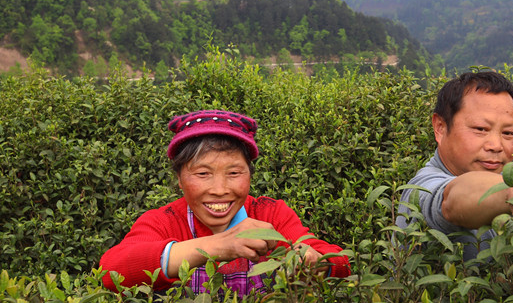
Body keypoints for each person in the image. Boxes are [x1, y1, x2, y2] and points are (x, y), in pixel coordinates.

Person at [100, 109, 351, 293]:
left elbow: (339, 262)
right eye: (202, 174)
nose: (219, 190)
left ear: (250, 175)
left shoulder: (271, 215)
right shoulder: (164, 221)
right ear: (179, 178)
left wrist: (313, 261)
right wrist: (220, 246)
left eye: (234, 173)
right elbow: (112, 271)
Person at [399, 71, 513, 260]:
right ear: (440, 128)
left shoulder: (496, 182)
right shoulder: (420, 190)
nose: (496, 146)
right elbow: (450, 201)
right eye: (480, 129)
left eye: (508, 133)